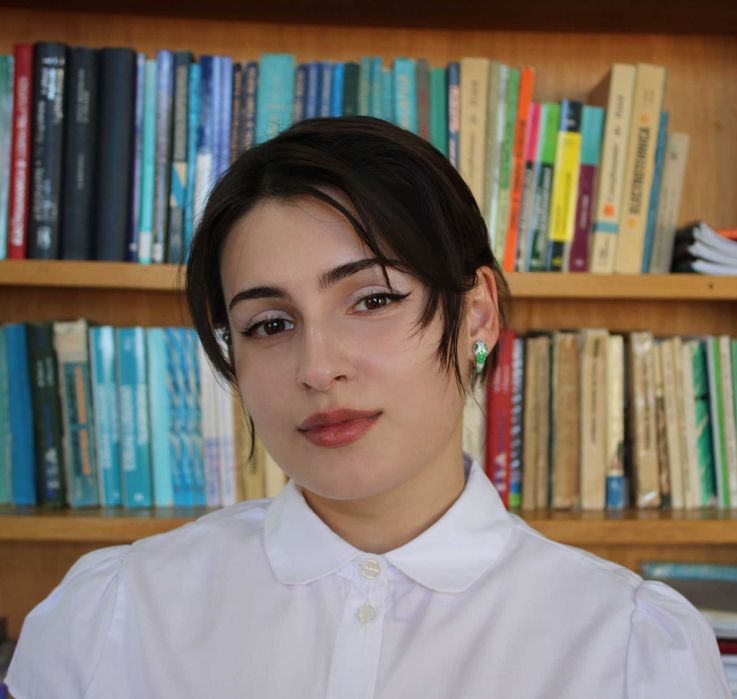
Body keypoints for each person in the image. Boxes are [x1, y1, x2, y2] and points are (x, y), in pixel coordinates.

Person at [6, 117, 730, 698]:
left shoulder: (626, 645)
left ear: (477, 315)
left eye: (373, 299)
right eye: (269, 324)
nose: (318, 367)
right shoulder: (115, 613)